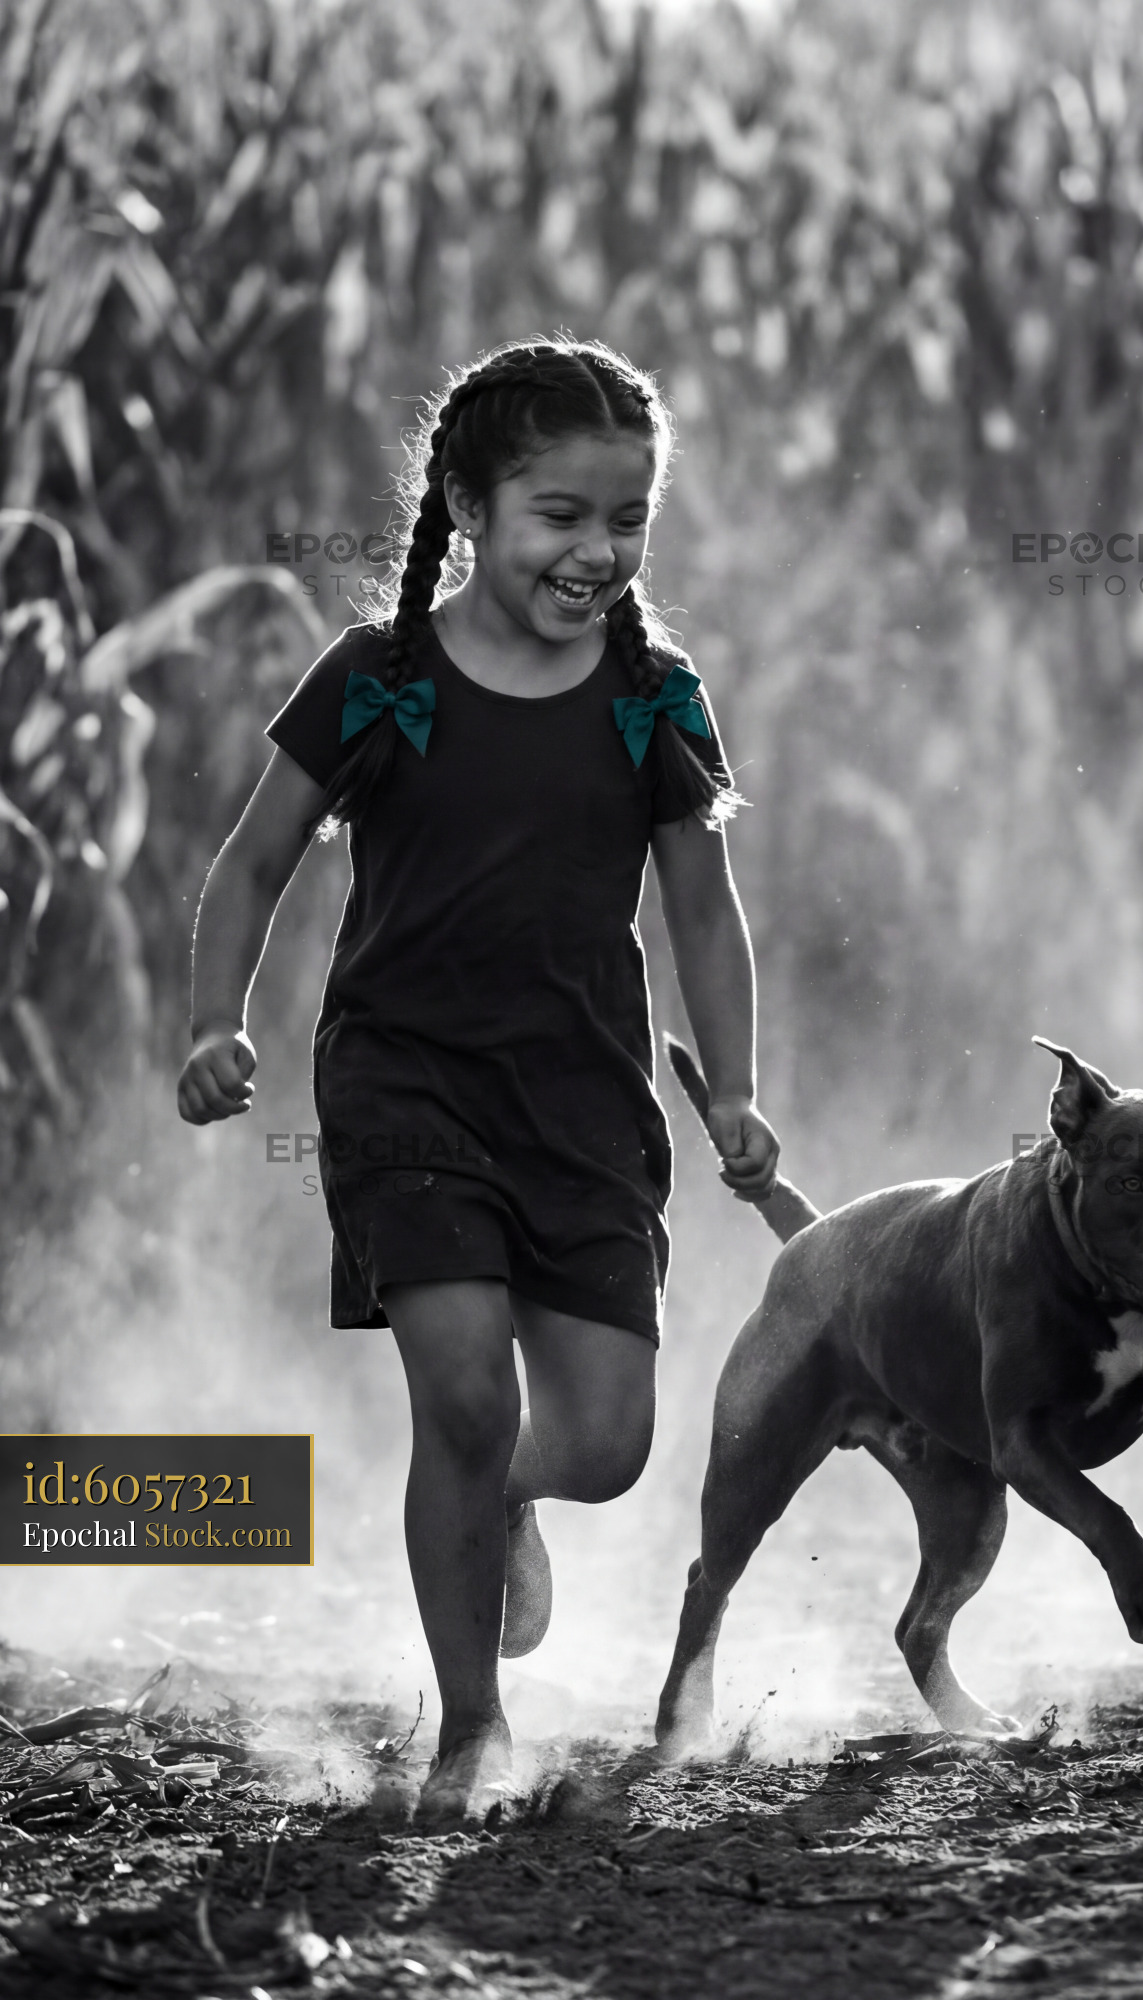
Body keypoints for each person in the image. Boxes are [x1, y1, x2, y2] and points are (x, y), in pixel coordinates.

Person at [176, 337, 780, 1827]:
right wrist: (211, 1019)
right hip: (403, 1088)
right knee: (456, 1393)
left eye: (626, 520)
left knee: (607, 1445)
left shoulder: (657, 698)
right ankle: (472, 1728)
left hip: (584, 1103)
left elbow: (702, 907)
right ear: (466, 504)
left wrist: (738, 1094)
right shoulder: (379, 680)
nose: (598, 551)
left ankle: (498, 1498)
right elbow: (252, 861)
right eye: (560, 515)